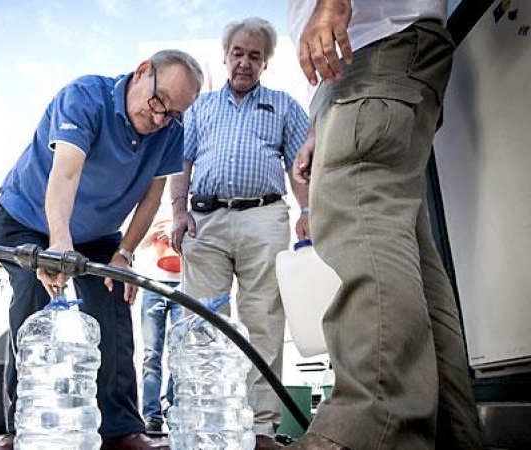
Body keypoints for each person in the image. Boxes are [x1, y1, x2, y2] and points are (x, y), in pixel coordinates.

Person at [284, 1, 483, 449]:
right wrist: (321, 120)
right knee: (407, 257)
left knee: (360, 226)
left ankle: (372, 426)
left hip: (375, 48)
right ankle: (453, 435)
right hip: (379, 60)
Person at [0, 49, 203, 450]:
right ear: (142, 73)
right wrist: (59, 243)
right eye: (158, 103)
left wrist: (124, 254)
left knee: (113, 298)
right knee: (34, 298)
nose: (160, 119)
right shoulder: (84, 97)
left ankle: (121, 430)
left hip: (96, 233)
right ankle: (22, 428)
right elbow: (65, 173)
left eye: (172, 113)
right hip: (27, 220)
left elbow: (151, 199)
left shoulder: (171, 131)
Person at [169, 17, 310, 450]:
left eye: (254, 56)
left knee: (263, 321)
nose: (245, 63)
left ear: (265, 62)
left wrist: (308, 209)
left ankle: (260, 429)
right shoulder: (200, 107)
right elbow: (180, 163)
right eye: (238, 53)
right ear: (226, 55)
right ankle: (201, 424)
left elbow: (300, 165)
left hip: (263, 218)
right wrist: (178, 212)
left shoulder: (284, 106)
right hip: (205, 222)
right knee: (201, 323)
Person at [136, 215, 184, 433]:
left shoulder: (188, 207)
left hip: (182, 286)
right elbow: (139, 243)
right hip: (152, 286)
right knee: (151, 354)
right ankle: (151, 415)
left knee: (180, 354)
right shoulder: (152, 208)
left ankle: (174, 410)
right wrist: (157, 230)